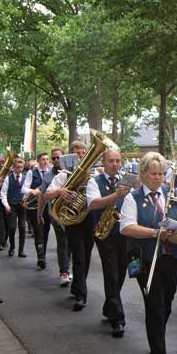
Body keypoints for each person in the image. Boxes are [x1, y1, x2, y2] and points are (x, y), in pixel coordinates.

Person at [120, 152, 177, 354]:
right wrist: (155, 233)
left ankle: (156, 336)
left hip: (172, 257)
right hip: (145, 260)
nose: (158, 178)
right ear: (143, 174)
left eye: (161, 173)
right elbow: (126, 227)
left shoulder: (171, 194)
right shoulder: (132, 198)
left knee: (167, 302)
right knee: (155, 307)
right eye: (153, 174)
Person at [87, 149, 132, 337]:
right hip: (104, 234)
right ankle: (117, 320)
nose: (115, 164)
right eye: (111, 161)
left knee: (120, 273)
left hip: (124, 232)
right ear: (103, 162)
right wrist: (116, 195)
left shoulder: (126, 180)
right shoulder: (94, 181)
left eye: (118, 161)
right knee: (112, 274)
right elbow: (93, 204)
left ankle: (109, 306)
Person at [62, 141, 93, 309]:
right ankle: (81, 295)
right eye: (78, 153)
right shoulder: (64, 174)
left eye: (83, 152)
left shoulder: (94, 174)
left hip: (89, 219)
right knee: (79, 257)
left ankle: (77, 286)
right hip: (73, 220)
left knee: (86, 256)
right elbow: (47, 194)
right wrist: (60, 191)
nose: (81, 155)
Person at [42, 147, 74, 287]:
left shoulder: (73, 172)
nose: (56, 160)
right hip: (56, 214)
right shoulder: (48, 176)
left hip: (73, 213)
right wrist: (39, 214)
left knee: (72, 243)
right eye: (53, 158)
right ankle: (64, 272)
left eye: (58, 157)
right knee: (62, 243)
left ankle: (67, 267)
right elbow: (43, 196)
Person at [22, 152, 51, 269]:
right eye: (43, 159)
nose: (45, 161)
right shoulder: (31, 173)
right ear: (38, 161)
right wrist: (32, 191)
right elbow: (24, 188)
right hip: (36, 206)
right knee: (39, 232)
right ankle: (41, 257)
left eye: (47, 159)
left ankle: (43, 253)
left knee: (46, 232)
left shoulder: (52, 172)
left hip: (49, 205)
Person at [0, 157, 28, 257]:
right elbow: (3, 193)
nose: (20, 169)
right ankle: (12, 247)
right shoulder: (8, 178)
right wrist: (6, 205)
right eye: (18, 167)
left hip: (22, 205)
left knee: (22, 227)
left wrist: (26, 200)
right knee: (12, 227)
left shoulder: (25, 178)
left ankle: (21, 250)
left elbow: (28, 191)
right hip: (11, 205)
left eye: (21, 167)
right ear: (14, 168)